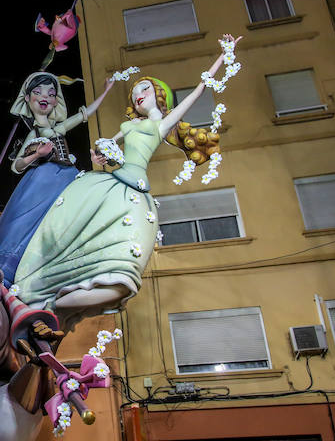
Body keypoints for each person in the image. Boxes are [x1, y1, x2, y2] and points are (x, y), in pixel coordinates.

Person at [15, 35, 241, 331]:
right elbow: (107, 147)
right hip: (112, 185)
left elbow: (197, 92)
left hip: (136, 194)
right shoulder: (129, 125)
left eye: (144, 89)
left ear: (159, 94)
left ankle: (54, 302)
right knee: (75, 231)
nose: (137, 94)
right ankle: (46, 291)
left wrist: (223, 56)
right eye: (134, 91)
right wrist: (102, 156)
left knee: (126, 276)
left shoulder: (161, 124)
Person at [0, 71, 115, 284]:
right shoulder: (34, 134)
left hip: (67, 177)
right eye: (37, 92)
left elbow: (86, 113)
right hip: (43, 181)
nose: (44, 97)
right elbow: (16, 166)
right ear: (27, 98)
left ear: (56, 100)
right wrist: (37, 154)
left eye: (51, 93)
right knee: (28, 222)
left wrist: (106, 91)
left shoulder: (59, 128)